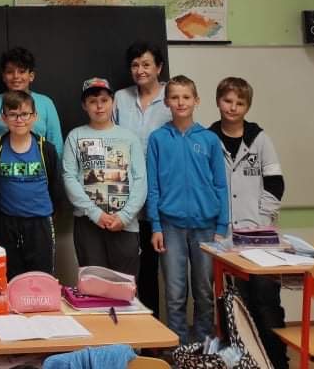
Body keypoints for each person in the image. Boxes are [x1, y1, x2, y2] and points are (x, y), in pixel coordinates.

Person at [209, 77, 288, 368]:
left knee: (266, 302)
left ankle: (277, 361)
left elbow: (275, 183)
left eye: (239, 103)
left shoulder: (260, 139)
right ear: (218, 101)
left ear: (247, 106)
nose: (233, 107)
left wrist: (261, 222)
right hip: (223, 237)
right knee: (234, 305)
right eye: (227, 101)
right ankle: (243, 363)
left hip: (261, 237)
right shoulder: (208, 138)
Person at [146, 75, 229, 345]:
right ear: (166, 102)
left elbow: (220, 185)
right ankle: (179, 348)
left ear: (196, 100)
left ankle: (203, 347)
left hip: (206, 227)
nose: (180, 102)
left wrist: (221, 226)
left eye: (186, 97)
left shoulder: (209, 140)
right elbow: (153, 186)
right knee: (174, 292)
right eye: (174, 97)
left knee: (204, 292)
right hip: (170, 226)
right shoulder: (158, 139)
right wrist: (156, 226)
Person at [62, 78, 146, 277]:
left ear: (113, 102)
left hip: (125, 223)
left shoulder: (129, 138)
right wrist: (95, 213)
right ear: (84, 106)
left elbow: (141, 180)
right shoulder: (75, 136)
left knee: (125, 285)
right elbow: (69, 176)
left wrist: (125, 216)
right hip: (88, 223)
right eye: (92, 101)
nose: (99, 106)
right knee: (93, 284)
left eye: (104, 100)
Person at [113, 41, 171, 317]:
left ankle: (152, 327)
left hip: (160, 195)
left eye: (146, 64)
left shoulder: (172, 97)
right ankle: (126, 326)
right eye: (135, 65)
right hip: (125, 194)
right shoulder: (120, 98)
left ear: (159, 67)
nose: (140, 70)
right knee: (124, 268)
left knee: (151, 267)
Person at [0, 90, 61, 279]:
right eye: (13, 114)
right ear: (3, 117)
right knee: (9, 279)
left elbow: (55, 186)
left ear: (34, 116)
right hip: (6, 223)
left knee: (40, 278)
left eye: (25, 114)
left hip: (39, 223)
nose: (19, 120)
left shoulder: (46, 149)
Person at [0, 47, 63, 157]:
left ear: (31, 76)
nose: (16, 76)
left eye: (22, 71)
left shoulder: (46, 103)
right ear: (3, 76)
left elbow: (56, 144)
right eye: (10, 72)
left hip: (40, 165)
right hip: (3, 164)